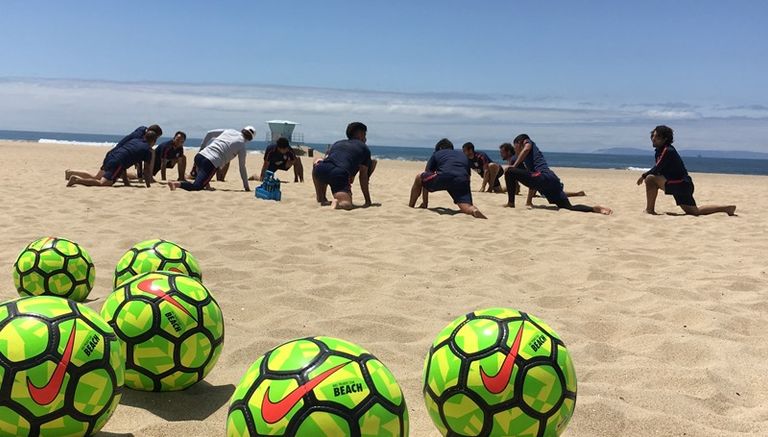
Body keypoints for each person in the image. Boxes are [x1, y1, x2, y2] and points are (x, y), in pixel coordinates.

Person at [637, 125, 736, 216]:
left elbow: (657, 168)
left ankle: (649, 210)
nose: (653, 139)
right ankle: (726, 209)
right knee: (695, 212)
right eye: (652, 136)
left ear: (665, 139)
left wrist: (643, 175)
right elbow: (660, 169)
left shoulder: (667, 150)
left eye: (657, 137)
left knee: (650, 179)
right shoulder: (661, 150)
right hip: (682, 185)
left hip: (680, 184)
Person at [503, 134, 611, 214]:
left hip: (544, 177)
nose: (514, 149)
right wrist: (529, 201)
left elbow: (526, 148)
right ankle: (594, 209)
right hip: (551, 182)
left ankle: (511, 203)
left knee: (509, 171)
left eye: (515, 146)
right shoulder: (528, 159)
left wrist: (514, 166)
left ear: (519, 143)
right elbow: (533, 181)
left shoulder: (527, 142)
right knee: (568, 207)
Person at [409, 139, 487, 219]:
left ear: (440, 148)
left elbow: (426, 176)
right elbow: (468, 177)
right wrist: (468, 200)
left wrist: (425, 203)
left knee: (419, 177)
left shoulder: (437, 154)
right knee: (466, 206)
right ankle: (473, 210)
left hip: (444, 176)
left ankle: (411, 206)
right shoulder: (462, 155)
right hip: (462, 180)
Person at [168, 126, 255, 192]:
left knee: (203, 175)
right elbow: (242, 167)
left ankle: (207, 185)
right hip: (210, 163)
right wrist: (246, 186)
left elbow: (209, 133)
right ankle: (177, 184)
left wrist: (202, 148)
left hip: (199, 157)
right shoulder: (242, 147)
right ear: (250, 139)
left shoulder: (230, 131)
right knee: (197, 186)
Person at [66, 128, 158, 187]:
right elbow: (146, 171)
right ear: (154, 141)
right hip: (117, 162)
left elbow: (126, 156)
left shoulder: (135, 140)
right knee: (103, 183)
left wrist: (126, 183)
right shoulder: (147, 150)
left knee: (97, 177)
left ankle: (70, 173)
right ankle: (76, 180)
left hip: (111, 155)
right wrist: (148, 186)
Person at [312, 122, 373, 209]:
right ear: (360, 134)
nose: (365, 138)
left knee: (317, 160)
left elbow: (326, 157)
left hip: (321, 169)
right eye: (365, 135)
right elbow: (363, 176)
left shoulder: (337, 143)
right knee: (346, 204)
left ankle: (321, 197)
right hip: (339, 173)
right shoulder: (364, 148)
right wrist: (368, 200)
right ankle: (338, 204)